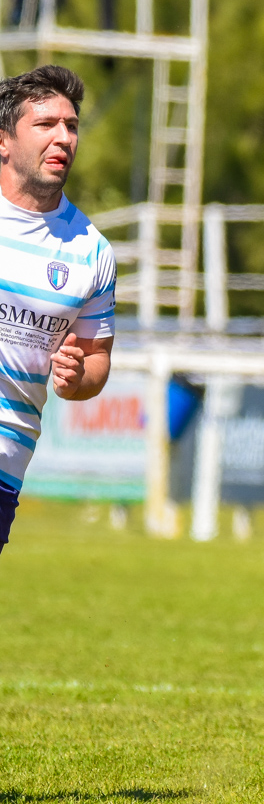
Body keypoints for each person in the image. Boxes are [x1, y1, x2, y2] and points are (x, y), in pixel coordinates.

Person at [0, 65, 116, 553]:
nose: (63, 137)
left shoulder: (92, 251)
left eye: (71, 126)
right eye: (45, 124)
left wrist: (77, 377)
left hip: (6, 464)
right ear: (4, 140)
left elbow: (96, 362)